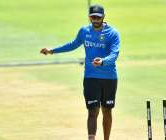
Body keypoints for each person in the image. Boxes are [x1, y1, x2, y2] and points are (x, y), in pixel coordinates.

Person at [40, 4, 120, 140]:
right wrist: (52, 50)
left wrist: (103, 61)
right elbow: (72, 44)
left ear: (103, 17)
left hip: (109, 78)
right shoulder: (84, 31)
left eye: (98, 17)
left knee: (107, 110)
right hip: (91, 77)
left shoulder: (112, 33)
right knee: (92, 111)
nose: (95, 20)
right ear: (89, 17)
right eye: (92, 17)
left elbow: (115, 54)